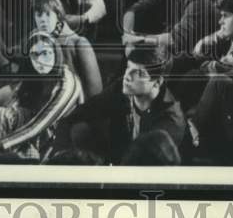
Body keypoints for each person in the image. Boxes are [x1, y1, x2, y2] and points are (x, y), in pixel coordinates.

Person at [57, 44, 186, 165]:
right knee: (80, 130)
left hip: (147, 176)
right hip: (117, 163)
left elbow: (145, 165)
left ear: (157, 82)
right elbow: (79, 114)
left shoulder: (171, 121)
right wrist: (60, 155)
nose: (127, 76)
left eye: (139, 73)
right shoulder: (121, 89)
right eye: (128, 68)